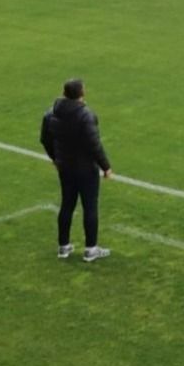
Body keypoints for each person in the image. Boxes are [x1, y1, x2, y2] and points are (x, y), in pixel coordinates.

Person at [39, 78, 113, 263]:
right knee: (90, 206)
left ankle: (63, 246)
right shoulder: (85, 116)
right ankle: (91, 249)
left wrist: (55, 158)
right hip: (86, 169)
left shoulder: (51, 113)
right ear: (82, 94)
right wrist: (106, 167)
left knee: (67, 204)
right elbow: (94, 145)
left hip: (65, 167)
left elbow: (45, 139)